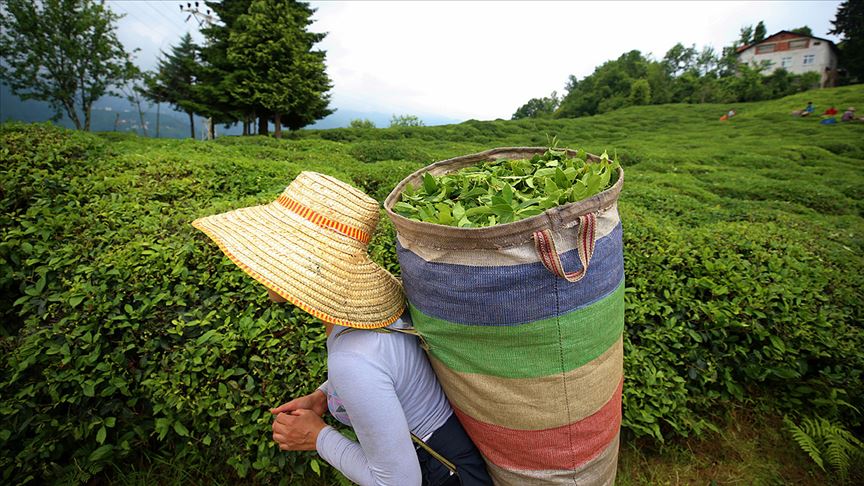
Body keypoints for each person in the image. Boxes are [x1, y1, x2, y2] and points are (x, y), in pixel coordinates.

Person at [192, 172, 492, 486]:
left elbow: (397, 482)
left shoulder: (352, 360)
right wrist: (324, 397)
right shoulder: (371, 323)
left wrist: (317, 437)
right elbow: (389, 372)